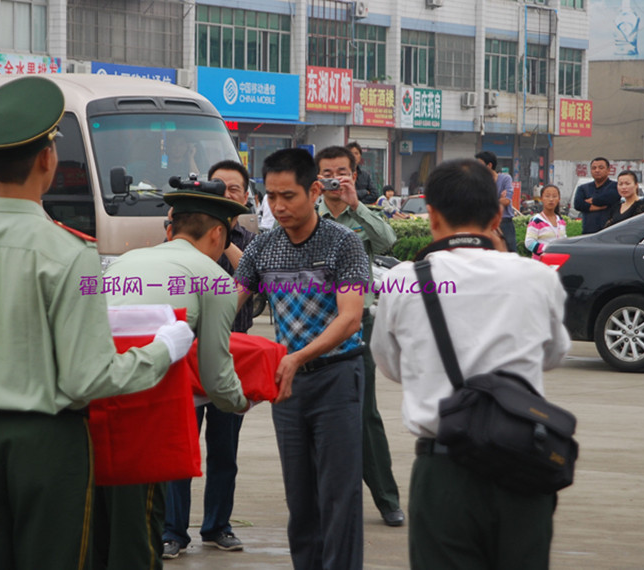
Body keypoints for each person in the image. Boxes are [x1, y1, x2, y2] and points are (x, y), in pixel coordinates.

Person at [0, 76, 194, 570]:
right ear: (47, 159)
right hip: (51, 445)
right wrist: (162, 350)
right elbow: (88, 377)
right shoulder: (69, 253)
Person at [371, 158, 571, 570]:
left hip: (444, 469)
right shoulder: (536, 278)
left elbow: (390, 365)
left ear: (431, 215)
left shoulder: (403, 280)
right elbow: (554, 355)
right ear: (499, 214)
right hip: (523, 464)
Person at [94, 175, 253, 569]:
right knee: (140, 541)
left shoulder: (122, 263)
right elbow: (217, 377)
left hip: (94, 414)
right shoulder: (214, 279)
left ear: (173, 226)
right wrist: (243, 399)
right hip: (147, 421)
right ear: (218, 233)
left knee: (100, 536)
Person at [235, 148, 369, 569]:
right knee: (300, 497)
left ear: (313, 190)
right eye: (271, 196)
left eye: (288, 196)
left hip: (337, 376)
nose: (278, 206)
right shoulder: (263, 248)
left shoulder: (343, 244)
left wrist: (298, 357)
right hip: (287, 384)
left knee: (338, 494)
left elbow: (350, 319)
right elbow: (229, 302)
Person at [162, 160, 257, 560]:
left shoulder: (251, 241)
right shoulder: (180, 232)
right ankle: (173, 531)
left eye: (234, 189)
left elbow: (254, 283)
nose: (227, 192)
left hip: (231, 354)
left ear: (245, 197)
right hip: (184, 356)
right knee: (179, 447)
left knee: (224, 450)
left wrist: (221, 231)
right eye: (220, 186)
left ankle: (218, 525)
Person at [314, 146, 404, 528]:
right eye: (327, 173)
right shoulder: (307, 213)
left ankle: (387, 499)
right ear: (316, 178)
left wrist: (358, 204)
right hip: (314, 323)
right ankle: (323, 499)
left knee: (365, 414)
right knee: (315, 415)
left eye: (341, 172)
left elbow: (388, 243)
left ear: (353, 173)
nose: (335, 179)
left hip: (357, 323)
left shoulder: (359, 215)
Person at [475, 151, 516, 252]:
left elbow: (506, 201)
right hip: (486, 223)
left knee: (510, 254)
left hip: (505, 223)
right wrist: (498, 200)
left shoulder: (505, 178)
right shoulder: (479, 182)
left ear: (489, 165)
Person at [573, 157, 620, 234]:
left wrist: (591, 201)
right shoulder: (583, 188)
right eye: (594, 168)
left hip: (609, 233)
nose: (597, 170)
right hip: (588, 233)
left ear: (608, 170)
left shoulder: (615, 186)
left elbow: (609, 198)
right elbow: (578, 204)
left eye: (601, 168)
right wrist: (600, 206)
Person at [525, 184, 567, 259]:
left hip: (558, 262)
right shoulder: (536, 220)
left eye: (554, 196)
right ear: (541, 199)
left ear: (559, 199)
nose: (551, 199)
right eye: (547, 196)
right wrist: (546, 250)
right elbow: (529, 242)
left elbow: (564, 240)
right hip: (541, 263)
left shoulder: (561, 221)